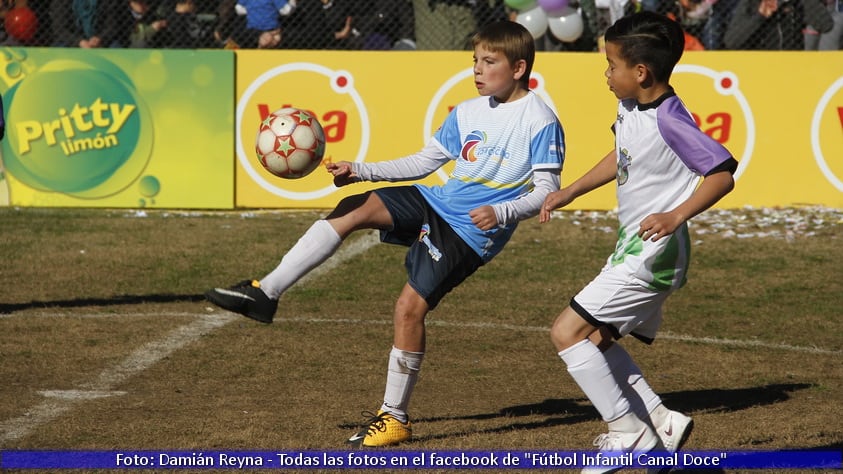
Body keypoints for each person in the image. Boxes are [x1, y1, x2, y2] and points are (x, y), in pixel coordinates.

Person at [205, 19, 565, 447]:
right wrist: (360, 171)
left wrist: (502, 211)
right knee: (353, 207)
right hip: (437, 201)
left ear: (519, 67)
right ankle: (266, 292)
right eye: (475, 61)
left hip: (469, 233)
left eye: (489, 62)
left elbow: (548, 189)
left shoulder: (540, 118)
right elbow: (425, 161)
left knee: (408, 309)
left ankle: (394, 416)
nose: (477, 70)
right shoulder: (469, 111)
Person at [539, 11, 737, 468]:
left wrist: (675, 215)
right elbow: (624, 153)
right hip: (634, 249)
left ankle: (626, 431)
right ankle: (661, 420)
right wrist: (571, 190)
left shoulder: (670, 119)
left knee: (566, 333)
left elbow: (722, 173)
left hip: (653, 257)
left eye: (611, 65)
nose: (606, 74)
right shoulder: (632, 106)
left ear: (641, 72)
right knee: (595, 341)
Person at [723, 0, 832, 49]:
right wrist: (760, 17)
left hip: (792, 67)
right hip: (760, 67)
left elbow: (825, 25)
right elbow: (731, 42)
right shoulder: (751, 3)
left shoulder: (796, 4)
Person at [50, 0, 121, 48]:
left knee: (116, 48)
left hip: (99, 39)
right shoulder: (61, 2)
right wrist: (78, 41)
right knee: (60, 49)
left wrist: (100, 38)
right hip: (71, 40)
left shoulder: (106, 1)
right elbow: (59, 28)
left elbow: (112, 25)